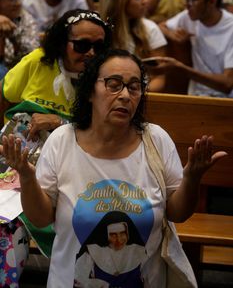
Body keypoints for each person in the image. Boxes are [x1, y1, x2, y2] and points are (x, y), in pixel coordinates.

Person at [0, 48, 227, 287]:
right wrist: (26, 176)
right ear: (89, 91)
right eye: (114, 84)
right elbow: (40, 217)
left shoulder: (155, 139)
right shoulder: (62, 141)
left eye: (134, 86)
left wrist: (192, 178)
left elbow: (178, 213)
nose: (125, 95)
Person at [0, 9, 112, 286]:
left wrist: (60, 121)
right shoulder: (38, 62)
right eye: (82, 45)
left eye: (99, 46)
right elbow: (6, 97)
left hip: (73, 173)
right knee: (4, 221)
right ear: (63, 41)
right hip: (15, 165)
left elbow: (108, 131)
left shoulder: (105, 78)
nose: (90, 53)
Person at [159, 0, 233, 97]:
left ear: (212, 1)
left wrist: (182, 69)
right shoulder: (189, 17)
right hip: (196, 96)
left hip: (226, 102)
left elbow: (227, 84)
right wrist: (173, 35)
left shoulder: (230, 27)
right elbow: (160, 26)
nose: (186, 4)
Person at [99, 0, 167, 92]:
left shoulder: (150, 29)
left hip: (141, 96)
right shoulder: (98, 30)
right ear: (119, 0)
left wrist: (135, 95)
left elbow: (159, 78)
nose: (145, 1)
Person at [74, 211, 147, 287]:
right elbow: (78, 278)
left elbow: (151, 279)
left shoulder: (138, 251)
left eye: (122, 233)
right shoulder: (93, 252)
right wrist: (103, 285)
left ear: (128, 233)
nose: (119, 240)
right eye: (113, 235)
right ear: (105, 235)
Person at [0, 0, 39, 79]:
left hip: (21, 76)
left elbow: (33, 55)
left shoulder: (25, 17)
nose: (18, 3)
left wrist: (13, 36)